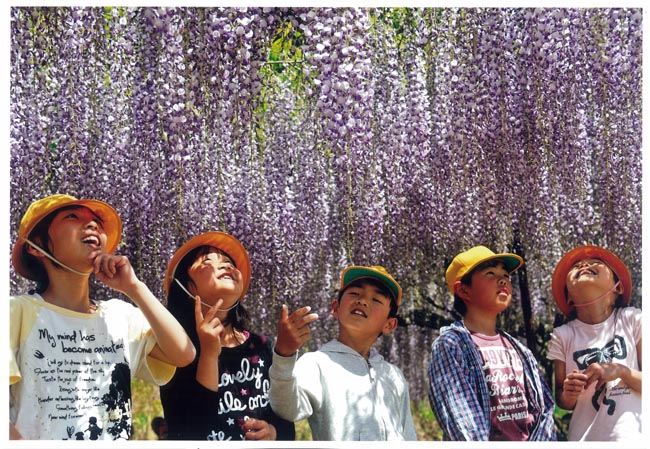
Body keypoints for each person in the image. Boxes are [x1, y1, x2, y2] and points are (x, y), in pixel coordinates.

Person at [9, 194, 195, 440]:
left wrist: (134, 288)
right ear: (35, 246)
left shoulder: (120, 315)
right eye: (72, 216)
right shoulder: (17, 312)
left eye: (97, 221)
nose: (93, 225)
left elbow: (183, 353)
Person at [159, 231, 295, 441]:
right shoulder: (177, 350)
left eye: (229, 262)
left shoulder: (262, 346)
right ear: (187, 287)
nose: (225, 265)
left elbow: (287, 424)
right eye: (207, 260)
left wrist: (274, 433)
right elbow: (186, 432)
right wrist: (208, 356)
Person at [269, 265, 417, 441]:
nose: (362, 300)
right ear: (335, 308)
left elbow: (407, 435)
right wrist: (284, 355)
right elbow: (287, 408)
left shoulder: (393, 375)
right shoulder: (317, 363)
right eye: (355, 293)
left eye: (376, 299)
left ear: (389, 325)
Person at [427, 245, 556, 441]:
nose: (503, 279)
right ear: (463, 290)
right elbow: (463, 420)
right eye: (490, 273)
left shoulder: (520, 349)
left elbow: (545, 410)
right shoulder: (451, 345)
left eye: (505, 274)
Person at [546, 245, 642, 440]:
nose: (584, 265)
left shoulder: (633, 319)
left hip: (633, 437)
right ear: (569, 298)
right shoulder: (562, 335)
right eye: (576, 267)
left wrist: (620, 371)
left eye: (596, 263)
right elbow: (563, 401)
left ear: (618, 288)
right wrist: (570, 392)